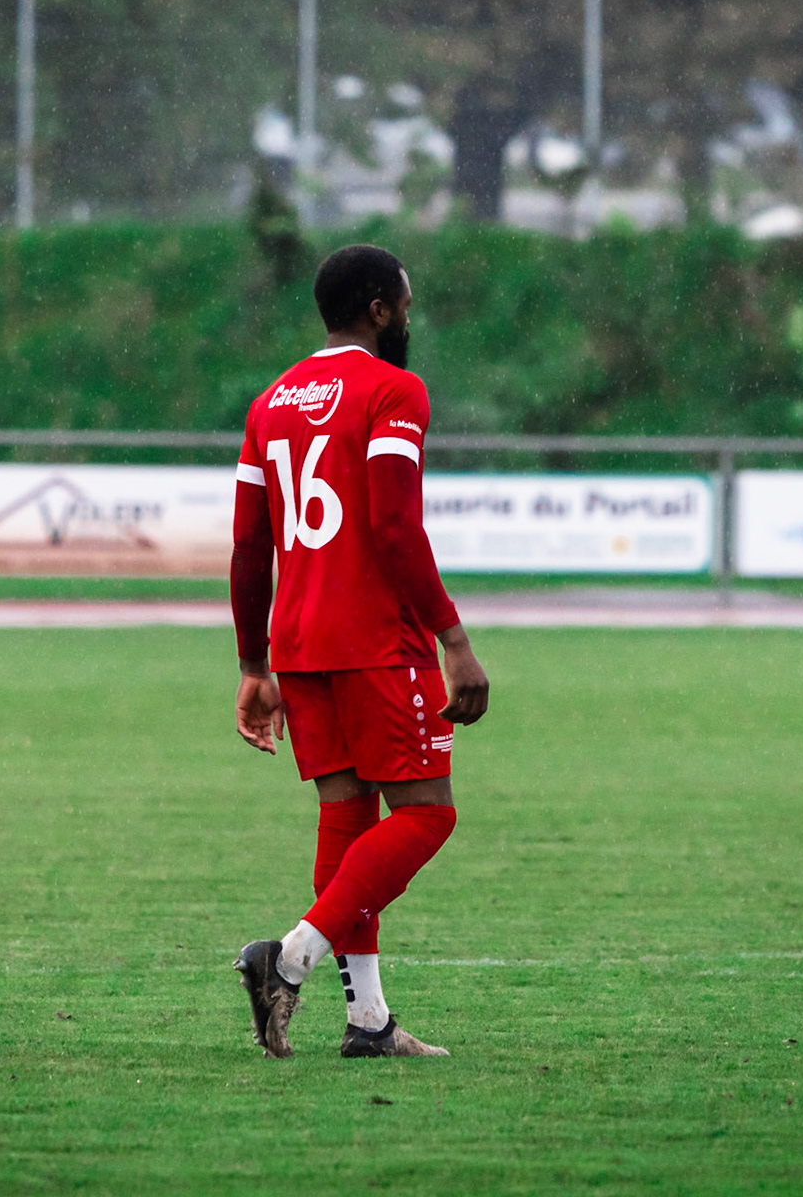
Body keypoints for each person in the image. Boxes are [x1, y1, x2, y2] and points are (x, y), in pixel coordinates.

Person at [228, 244, 490, 1059]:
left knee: (346, 818)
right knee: (428, 814)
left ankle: (369, 1021)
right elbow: (390, 524)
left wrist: (253, 665)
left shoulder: (271, 401)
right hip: (377, 639)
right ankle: (291, 959)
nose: (409, 318)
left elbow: (248, 543)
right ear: (378, 309)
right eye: (404, 305)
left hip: (300, 644)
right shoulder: (391, 389)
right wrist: (454, 639)